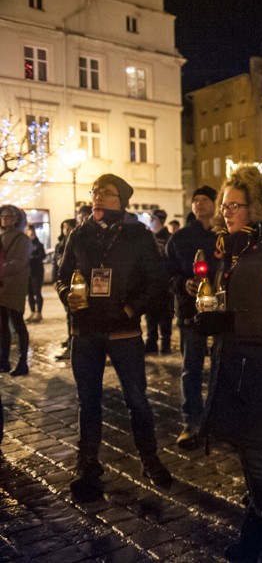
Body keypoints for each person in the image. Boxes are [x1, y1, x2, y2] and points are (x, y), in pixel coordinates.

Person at [195, 166, 262, 560]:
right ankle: (259, 519)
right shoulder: (236, 250)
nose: (226, 212)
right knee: (248, 447)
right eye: (225, 205)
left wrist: (230, 319)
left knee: (257, 449)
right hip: (237, 360)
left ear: (256, 208)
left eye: (234, 205)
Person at [56, 173, 172, 501]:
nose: (97, 198)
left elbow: (156, 280)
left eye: (106, 193)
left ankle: (149, 458)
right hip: (86, 329)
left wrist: (132, 309)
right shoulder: (80, 234)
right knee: (88, 401)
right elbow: (62, 277)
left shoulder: (138, 236)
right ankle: (87, 464)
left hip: (123, 330)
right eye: (95, 192)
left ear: (121, 200)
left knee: (137, 398)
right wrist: (68, 296)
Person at [165, 185, 218, 449]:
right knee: (191, 368)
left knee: (222, 367)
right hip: (190, 312)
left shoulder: (224, 234)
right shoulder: (181, 238)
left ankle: (219, 418)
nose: (199, 204)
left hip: (221, 311)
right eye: (195, 200)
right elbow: (167, 272)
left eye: (205, 199)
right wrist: (182, 283)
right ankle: (191, 421)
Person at [0, 206, 32, 377]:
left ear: (16, 218)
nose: (5, 219)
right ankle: (3, 360)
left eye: (9, 216)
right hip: (1, 286)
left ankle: (22, 361)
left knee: (17, 323)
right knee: (2, 325)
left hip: (15, 287)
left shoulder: (22, 239)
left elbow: (19, 263)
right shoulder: (1, 237)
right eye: (2, 216)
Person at [144, 209, 173, 354]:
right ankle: (151, 342)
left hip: (165, 285)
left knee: (165, 316)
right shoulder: (148, 237)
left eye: (152, 218)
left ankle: (165, 344)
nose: (149, 221)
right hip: (150, 283)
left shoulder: (169, 238)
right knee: (150, 315)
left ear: (159, 220)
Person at [54, 218, 78, 360]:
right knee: (68, 313)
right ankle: (70, 340)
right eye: (64, 227)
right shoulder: (61, 244)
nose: (66, 230)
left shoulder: (77, 240)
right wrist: (55, 281)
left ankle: (72, 342)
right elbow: (56, 265)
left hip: (74, 282)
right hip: (65, 282)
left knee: (73, 314)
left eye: (68, 227)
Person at [24, 224, 45, 323]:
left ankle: (38, 312)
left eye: (31, 230)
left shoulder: (38, 244)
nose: (30, 232)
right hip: (27, 272)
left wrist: (31, 258)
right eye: (28, 230)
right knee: (29, 293)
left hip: (36, 272)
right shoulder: (25, 244)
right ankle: (32, 311)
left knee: (37, 292)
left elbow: (42, 256)